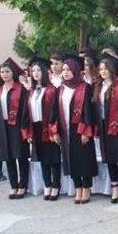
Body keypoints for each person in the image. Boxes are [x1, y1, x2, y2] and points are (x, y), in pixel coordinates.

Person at [50, 56, 97, 204]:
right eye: (63, 70)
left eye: (69, 69)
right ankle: (78, 187)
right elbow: (54, 112)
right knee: (70, 159)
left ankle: (87, 187)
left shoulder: (85, 88)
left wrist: (85, 131)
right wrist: (54, 131)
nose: (65, 72)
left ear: (76, 71)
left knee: (84, 159)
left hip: (80, 130)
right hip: (65, 130)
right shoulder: (60, 90)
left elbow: (89, 111)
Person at [0, 58, 30, 199]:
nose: (4, 74)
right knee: (8, 157)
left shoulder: (21, 89)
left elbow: (26, 109)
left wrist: (24, 127)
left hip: (17, 126)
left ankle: (23, 185)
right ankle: (13, 186)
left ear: (13, 73)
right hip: (3, 126)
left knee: (21, 156)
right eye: (2, 72)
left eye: (7, 71)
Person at [95, 55, 118, 204]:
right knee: (109, 157)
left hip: (117, 126)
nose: (103, 71)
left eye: (106, 68)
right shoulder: (98, 87)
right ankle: (114, 185)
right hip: (103, 125)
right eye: (101, 68)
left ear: (112, 69)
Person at [26, 58, 61, 201]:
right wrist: (28, 132)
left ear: (45, 72)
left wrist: (54, 131)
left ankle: (56, 186)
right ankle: (47, 184)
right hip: (36, 127)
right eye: (33, 71)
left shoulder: (52, 90)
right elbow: (27, 113)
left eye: (38, 70)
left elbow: (56, 112)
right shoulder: (32, 91)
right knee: (42, 159)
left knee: (53, 158)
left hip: (49, 127)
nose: (35, 73)